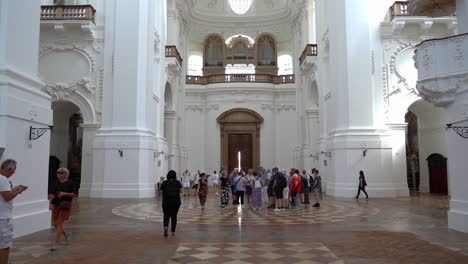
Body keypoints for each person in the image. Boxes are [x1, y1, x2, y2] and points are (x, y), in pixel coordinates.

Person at [0, 159, 26, 263]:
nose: (14, 172)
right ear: (9, 168)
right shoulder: (3, 179)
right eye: (14, 170)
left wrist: (13, 190)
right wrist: (17, 191)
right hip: (3, 219)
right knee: (4, 246)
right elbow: (7, 197)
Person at [49, 168, 78, 251]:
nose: (59, 174)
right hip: (56, 204)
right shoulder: (55, 183)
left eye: (61, 173)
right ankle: (66, 235)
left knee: (59, 223)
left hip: (65, 205)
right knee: (55, 224)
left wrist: (64, 194)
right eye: (58, 173)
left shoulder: (71, 183)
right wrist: (50, 203)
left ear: (66, 174)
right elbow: (52, 194)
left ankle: (56, 244)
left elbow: (75, 194)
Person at [160, 170, 182, 237]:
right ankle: (173, 231)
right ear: (175, 175)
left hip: (166, 202)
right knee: (174, 216)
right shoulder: (178, 182)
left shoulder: (164, 182)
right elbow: (181, 191)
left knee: (166, 215)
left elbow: (161, 192)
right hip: (176, 202)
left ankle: (166, 227)